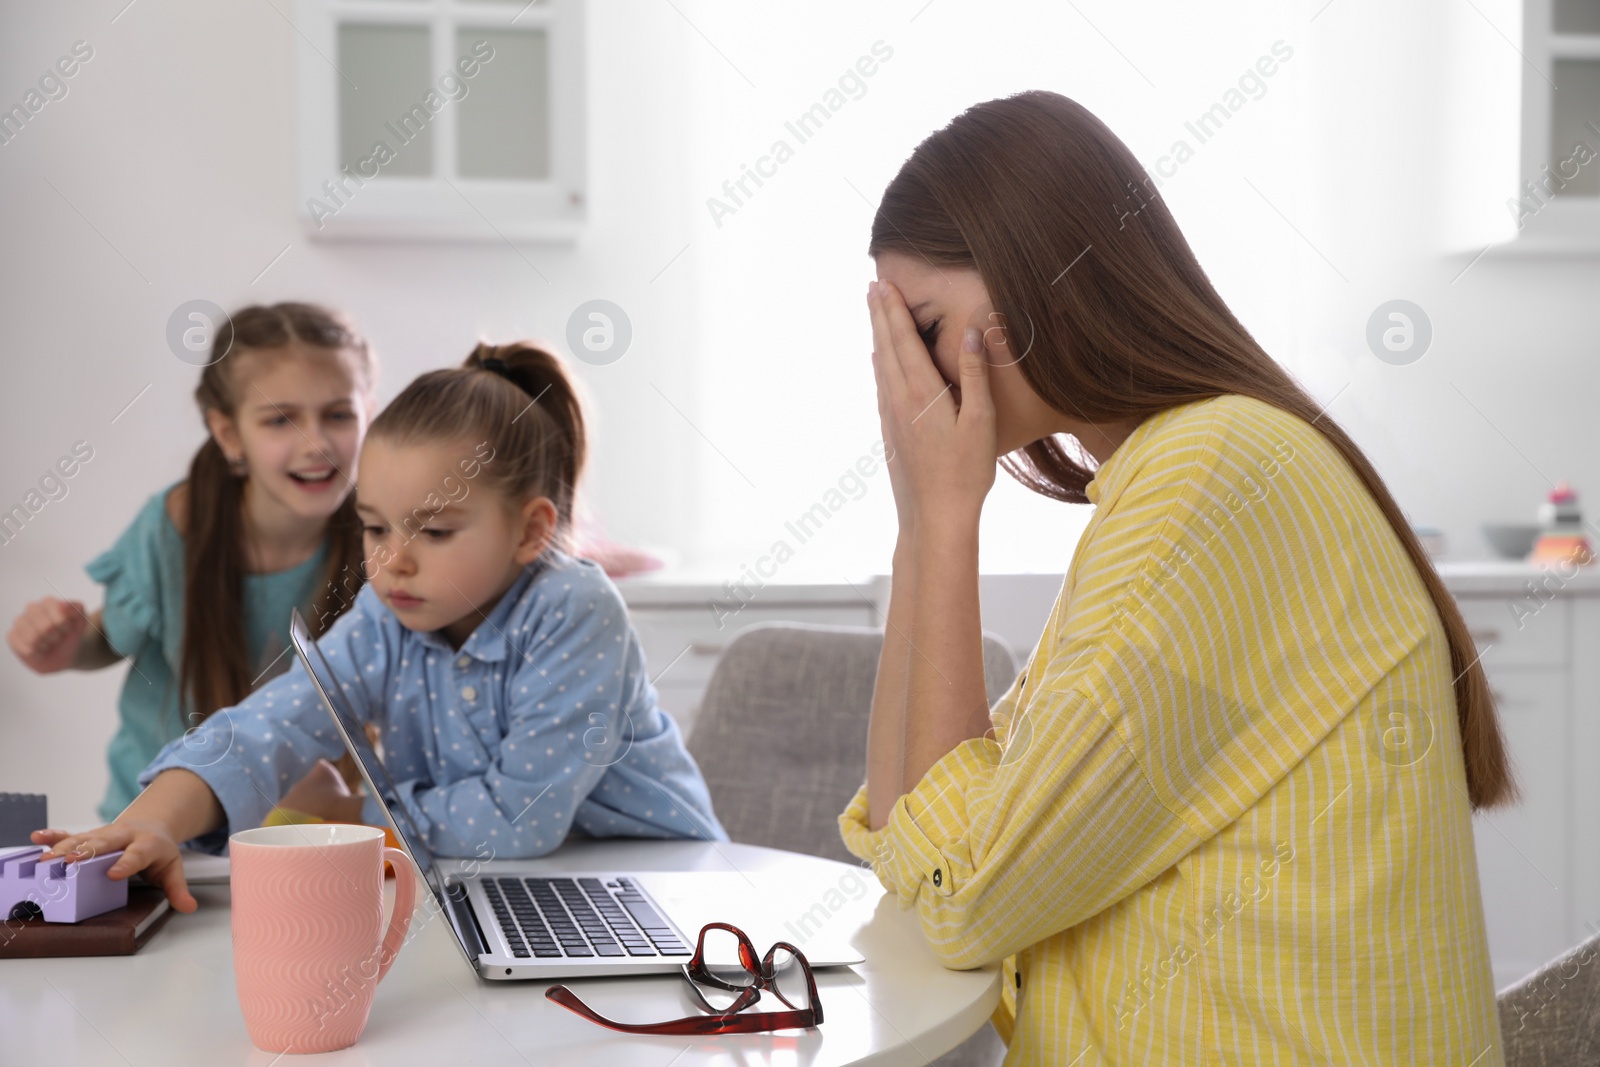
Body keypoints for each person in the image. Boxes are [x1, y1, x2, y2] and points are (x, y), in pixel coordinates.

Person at [840, 90, 1512, 1064]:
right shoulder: (1165, 477)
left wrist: (945, 521)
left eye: (925, 325)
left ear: (1037, 269)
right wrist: (919, 527)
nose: (915, 380)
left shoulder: (1214, 476)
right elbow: (921, 843)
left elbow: (962, 890)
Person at [34, 341, 727, 913]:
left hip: (665, 890)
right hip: (499, 885)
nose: (393, 559)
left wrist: (360, 812)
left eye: (435, 529)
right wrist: (153, 818)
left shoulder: (573, 608)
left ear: (530, 530)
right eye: (374, 526)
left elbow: (520, 817)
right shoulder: (386, 614)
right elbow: (268, 724)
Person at [6, 303, 376, 823]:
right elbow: (109, 637)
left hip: (309, 830)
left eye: (338, 414)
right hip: (157, 827)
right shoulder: (173, 527)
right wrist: (66, 648)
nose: (316, 443)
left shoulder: (382, 533)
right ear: (228, 434)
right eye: (279, 420)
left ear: (369, 413)